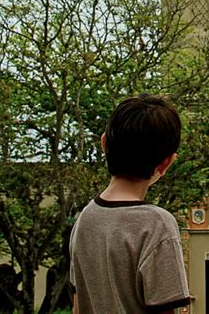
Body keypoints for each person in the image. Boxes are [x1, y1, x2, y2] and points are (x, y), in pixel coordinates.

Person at [69, 94, 190, 314]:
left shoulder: (85, 219)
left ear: (104, 143)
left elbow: (77, 306)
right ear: (167, 163)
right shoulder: (157, 224)